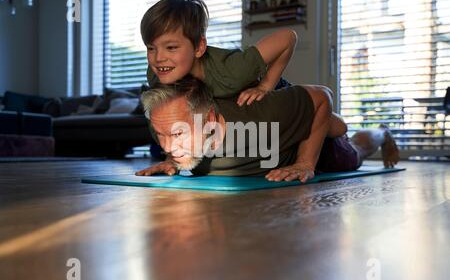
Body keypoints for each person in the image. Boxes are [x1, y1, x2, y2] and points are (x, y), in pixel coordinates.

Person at [140, 0, 348, 139]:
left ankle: (380, 134)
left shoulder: (232, 71)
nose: (158, 58)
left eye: (171, 47)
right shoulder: (159, 75)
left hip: (274, 89)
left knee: (338, 129)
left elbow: (288, 37)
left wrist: (265, 87)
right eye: (151, 48)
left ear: (199, 47)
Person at [135, 76, 400, 182]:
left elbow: (322, 96)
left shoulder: (256, 113)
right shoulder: (165, 118)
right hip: (279, 134)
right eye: (162, 135)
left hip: (307, 143)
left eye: (178, 134)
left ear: (211, 119)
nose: (167, 145)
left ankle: (382, 131)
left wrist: (305, 162)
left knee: (351, 144)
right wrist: (174, 158)